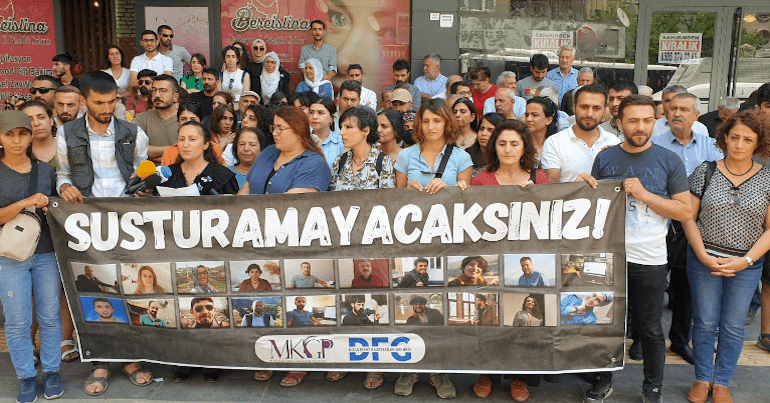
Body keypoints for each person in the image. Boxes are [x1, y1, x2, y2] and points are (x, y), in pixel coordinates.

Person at [582, 94, 692, 403]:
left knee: (650, 327)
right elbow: (594, 204)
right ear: (618, 123)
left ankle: (652, 387)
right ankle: (602, 380)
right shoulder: (605, 158)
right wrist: (582, 187)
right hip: (607, 256)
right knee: (604, 323)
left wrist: (644, 194)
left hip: (650, 256)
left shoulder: (670, 160)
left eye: (647, 120)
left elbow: (684, 212)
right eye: (632, 120)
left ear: (655, 122)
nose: (640, 126)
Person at [680, 110, 770, 403]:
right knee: (705, 321)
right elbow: (688, 218)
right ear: (724, 138)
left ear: (758, 143)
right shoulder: (705, 171)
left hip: (746, 264)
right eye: (734, 137)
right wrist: (704, 256)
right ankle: (703, 379)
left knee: (732, 325)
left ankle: (722, 382)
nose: (740, 145)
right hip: (704, 259)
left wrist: (745, 261)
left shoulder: (768, 178)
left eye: (747, 139)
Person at [650, 92, 723, 365]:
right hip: (657, 225)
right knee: (651, 285)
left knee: (684, 288)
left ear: (696, 115)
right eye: (672, 107)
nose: (677, 112)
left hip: (693, 228)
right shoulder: (654, 144)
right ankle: (643, 339)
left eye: (684, 109)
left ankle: (680, 339)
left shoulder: (711, 147)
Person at [0, 110, 64, 403]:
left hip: (46, 251)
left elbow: (55, 210)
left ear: (30, 135)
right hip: (9, 254)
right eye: (9, 134)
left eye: (22, 133)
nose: (16, 141)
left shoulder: (45, 171)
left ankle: (51, 371)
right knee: (17, 321)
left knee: (50, 317)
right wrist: (26, 203)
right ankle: (27, 377)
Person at [238, 105, 331, 195]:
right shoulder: (268, 152)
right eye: (273, 128)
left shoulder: (314, 163)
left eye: (280, 128)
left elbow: (293, 200)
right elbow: (247, 187)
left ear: (298, 131)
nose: (274, 133)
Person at [541, 84, 620, 183]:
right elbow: (550, 189)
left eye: (596, 108)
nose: (589, 114)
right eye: (584, 107)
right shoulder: (555, 143)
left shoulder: (614, 142)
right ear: (574, 107)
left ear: (604, 110)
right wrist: (576, 187)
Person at [395, 98, 473, 194]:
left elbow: (464, 202)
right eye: (425, 121)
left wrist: (450, 190)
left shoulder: (462, 157)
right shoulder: (405, 155)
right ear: (419, 124)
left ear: (447, 123)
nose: (430, 127)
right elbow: (398, 199)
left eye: (437, 121)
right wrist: (408, 191)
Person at [160, 121, 238, 195]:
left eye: (192, 139)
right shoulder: (166, 175)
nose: (185, 144)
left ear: (206, 144)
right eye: (181, 139)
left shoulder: (223, 175)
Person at [471, 118, 549, 189]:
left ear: (524, 149)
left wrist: (535, 193)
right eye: (502, 144)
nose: (507, 150)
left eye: (514, 144)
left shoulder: (538, 177)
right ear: (494, 147)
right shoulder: (481, 179)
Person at [331, 106, 395, 191]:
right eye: (341, 127)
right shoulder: (340, 161)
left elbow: (387, 199)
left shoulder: (383, 162)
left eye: (348, 127)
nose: (341, 132)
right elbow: (331, 198)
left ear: (366, 131)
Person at [134, 74, 180, 164]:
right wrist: (175, 149)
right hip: (150, 174)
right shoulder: (143, 118)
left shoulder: (185, 118)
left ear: (175, 96)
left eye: (163, 91)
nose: (157, 95)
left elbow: (190, 153)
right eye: (154, 90)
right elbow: (139, 150)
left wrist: (152, 156)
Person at [282, 296, 322, 387]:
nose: (301, 303)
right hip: (298, 335)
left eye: (303, 302)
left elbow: (317, 322)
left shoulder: (308, 313)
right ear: (295, 303)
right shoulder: (291, 313)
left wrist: (319, 324)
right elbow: (288, 326)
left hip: (310, 333)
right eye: (299, 301)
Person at [524, 97, 560, 166]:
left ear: (549, 120)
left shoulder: (557, 145)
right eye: (526, 115)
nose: (528, 119)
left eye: (535, 115)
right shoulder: (520, 144)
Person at [308, 97, 343, 167]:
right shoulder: (302, 141)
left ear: (332, 118)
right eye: (311, 112)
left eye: (320, 113)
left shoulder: (341, 142)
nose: (314, 117)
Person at [20, 101, 57, 165]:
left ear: (51, 120)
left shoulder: (67, 146)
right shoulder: (19, 153)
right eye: (29, 120)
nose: (36, 123)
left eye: (41, 118)